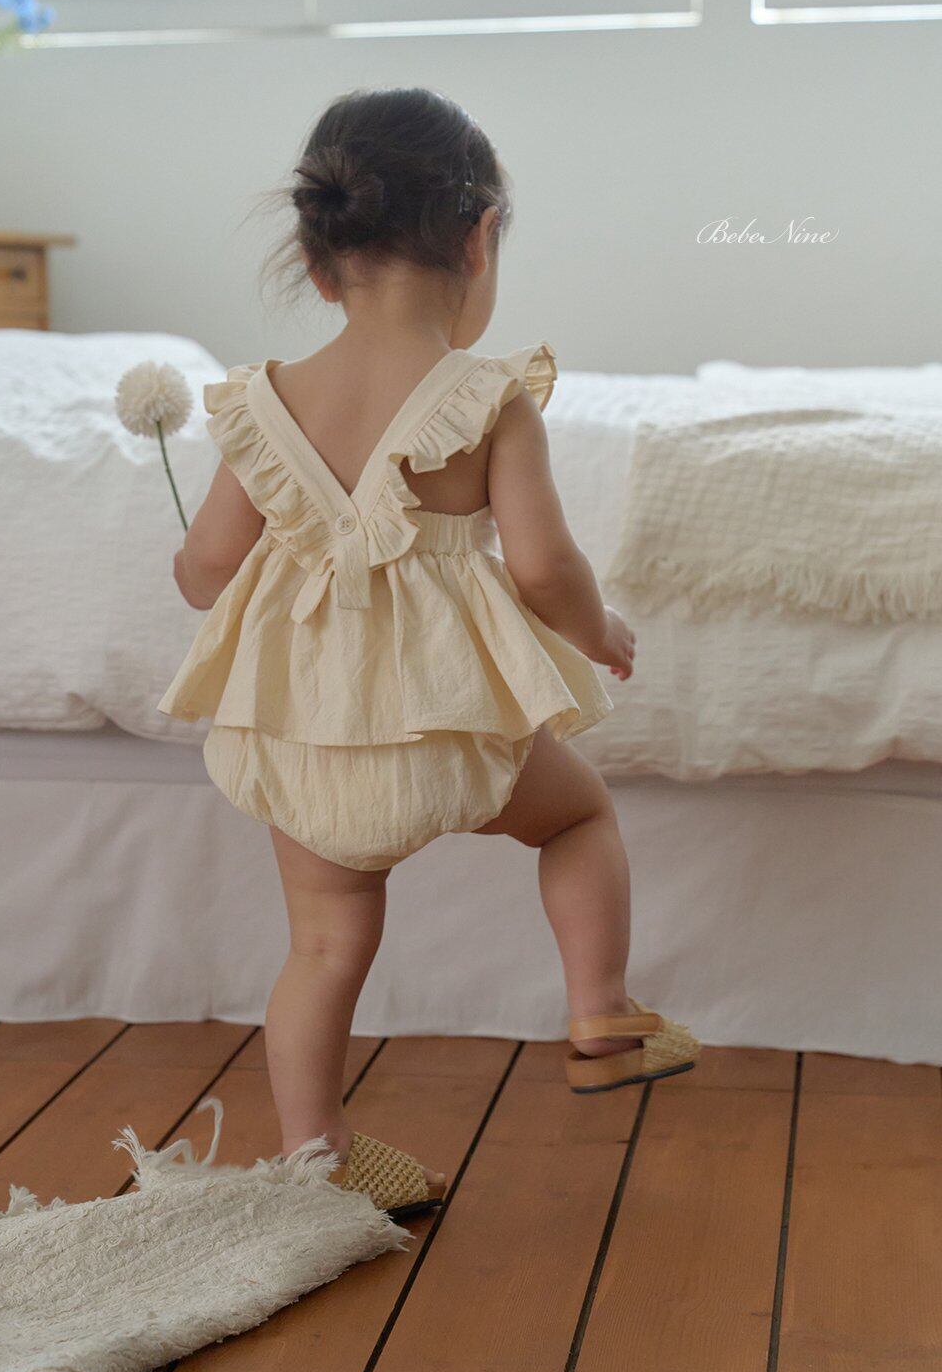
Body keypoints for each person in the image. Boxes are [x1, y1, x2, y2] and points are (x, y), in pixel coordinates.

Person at [159, 87, 698, 1219]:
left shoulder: (262, 406)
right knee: (579, 819)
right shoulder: (489, 399)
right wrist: (598, 631)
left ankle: (318, 1160)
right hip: (454, 731)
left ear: (318, 263)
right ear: (480, 237)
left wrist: (230, 569)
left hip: (311, 743)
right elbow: (544, 569)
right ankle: (600, 1010)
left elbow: (205, 570)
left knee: (322, 947)